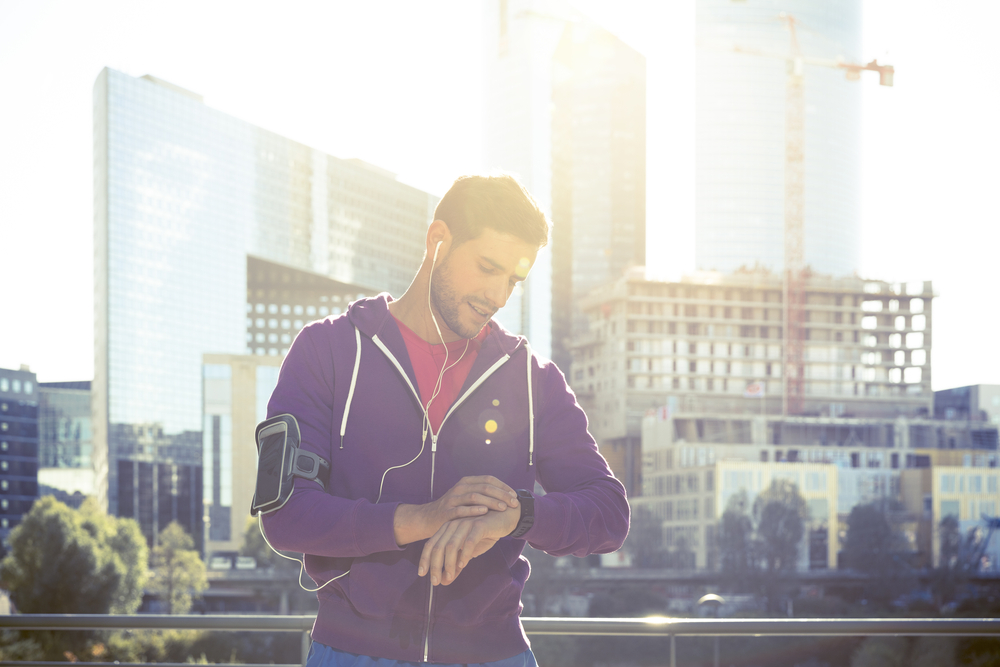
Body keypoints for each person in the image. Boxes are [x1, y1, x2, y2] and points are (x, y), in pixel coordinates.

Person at [261, 174, 629, 667]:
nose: (499, 296)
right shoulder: (327, 352)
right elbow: (285, 516)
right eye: (487, 267)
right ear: (438, 240)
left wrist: (518, 515)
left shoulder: (531, 378)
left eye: (513, 281)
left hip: (494, 655)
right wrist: (422, 519)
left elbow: (608, 513)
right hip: (352, 653)